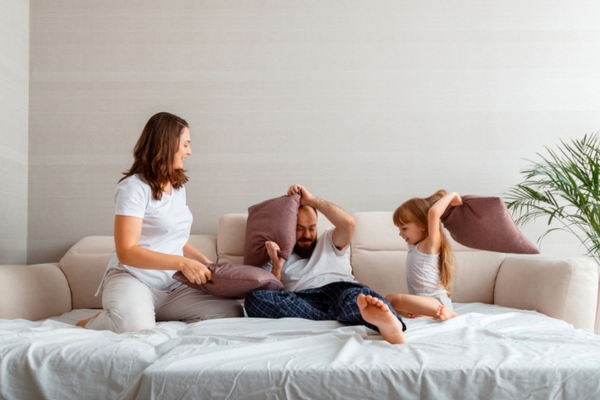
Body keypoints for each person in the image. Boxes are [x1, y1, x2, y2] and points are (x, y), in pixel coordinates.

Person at [77, 112, 244, 332]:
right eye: (185, 145)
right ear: (167, 144)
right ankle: (102, 319)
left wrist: (207, 264)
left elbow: (176, 239)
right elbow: (127, 251)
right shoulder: (133, 188)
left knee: (231, 312)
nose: (189, 151)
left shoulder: (177, 186)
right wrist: (182, 263)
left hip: (173, 285)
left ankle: (145, 311)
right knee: (134, 327)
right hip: (134, 279)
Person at [244, 184, 406, 344]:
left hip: (340, 291)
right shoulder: (277, 254)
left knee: (357, 298)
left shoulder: (329, 240)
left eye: (312, 228)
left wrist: (312, 200)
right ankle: (339, 318)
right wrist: (277, 267)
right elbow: (272, 295)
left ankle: (391, 326)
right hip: (304, 300)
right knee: (254, 299)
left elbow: (348, 223)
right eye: (299, 228)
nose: (306, 235)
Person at [386, 190, 462, 321]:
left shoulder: (430, 245)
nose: (400, 234)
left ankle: (448, 313)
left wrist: (452, 195)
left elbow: (434, 213)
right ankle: (423, 313)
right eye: (399, 229)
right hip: (422, 303)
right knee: (388, 303)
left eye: (404, 228)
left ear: (422, 225)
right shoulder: (414, 246)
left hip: (438, 302)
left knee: (393, 299)